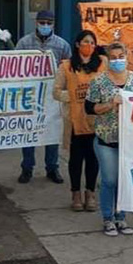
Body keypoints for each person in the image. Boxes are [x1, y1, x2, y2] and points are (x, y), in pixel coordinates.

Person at [85, 41, 133, 236]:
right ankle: (107, 218)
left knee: (124, 181)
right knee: (110, 179)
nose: (117, 60)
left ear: (127, 56)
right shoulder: (98, 82)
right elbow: (89, 108)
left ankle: (121, 217)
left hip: (130, 141)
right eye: (113, 58)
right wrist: (110, 104)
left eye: (121, 56)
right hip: (106, 140)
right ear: (107, 60)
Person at [53, 30, 108, 211]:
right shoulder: (66, 66)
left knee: (93, 159)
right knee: (75, 160)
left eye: (92, 43)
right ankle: (75, 193)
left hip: (96, 120)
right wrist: (74, 96)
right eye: (85, 42)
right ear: (77, 44)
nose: (89, 46)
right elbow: (56, 92)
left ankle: (90, 193)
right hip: (75, 121)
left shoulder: (102, 64)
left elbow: (110, 86)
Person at [16, 10, 72, 184]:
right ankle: (27, 168)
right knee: (28, 130)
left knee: (52, 130)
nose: (45, 26)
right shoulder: (24, 42)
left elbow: (69, 69)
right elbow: (14, 64)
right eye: (42, 22)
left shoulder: (62, 45)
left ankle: (52, 168)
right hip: (30, 94)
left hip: (52, 95)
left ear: (53, 24)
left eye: (49, 22)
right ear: (36, 23)